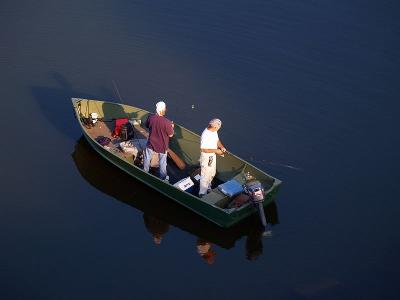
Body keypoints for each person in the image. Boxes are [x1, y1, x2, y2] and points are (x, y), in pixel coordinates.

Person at [143, 101, 174, 180]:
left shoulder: (151, 118)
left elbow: (147, 125)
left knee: (147, 157)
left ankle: (145, 172)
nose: (166, 109)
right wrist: (172, 127)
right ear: (162, 110)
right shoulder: (167, 123)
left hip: (151, 143)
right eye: (165, 108)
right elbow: (171, 135)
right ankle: (163, 178)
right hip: (162, 147)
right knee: (162, 163)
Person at [199, 118, 226, 197]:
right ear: (213, 127)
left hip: (212, 157)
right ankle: (202, 193)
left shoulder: (214, 131)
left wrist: (221, 147)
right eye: (217, 128)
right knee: (205, 175)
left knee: (212, 173)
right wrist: (216, 151)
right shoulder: (205, 135)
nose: (218, 129)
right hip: (206, 158)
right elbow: (203, 149)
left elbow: (217, 140)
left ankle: (208, 187)